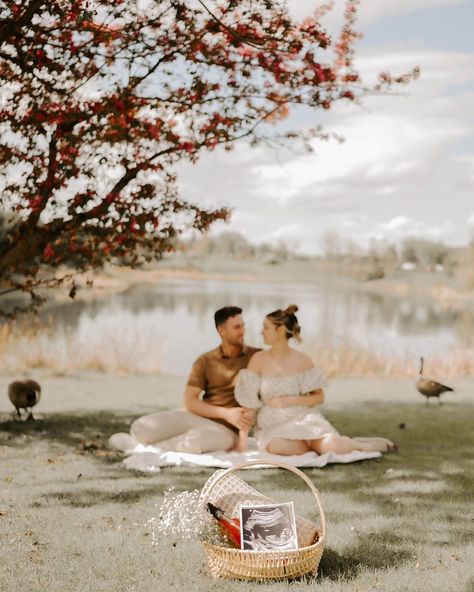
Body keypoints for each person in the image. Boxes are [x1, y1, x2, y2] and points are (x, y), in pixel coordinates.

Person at [234, 304, 396, 455]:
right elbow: (249, 404)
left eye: (266, 327)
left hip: (303, 418)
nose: (261, 331)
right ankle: (316, 446)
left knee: (335, 447)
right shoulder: (258, 359)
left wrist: (291, 400)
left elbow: (319, 396)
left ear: (281, 330)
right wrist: (242, 441)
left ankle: (358, 445)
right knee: (282, 447)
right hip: (273, 425)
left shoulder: (303, 360)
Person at [108, 306, 260, 454]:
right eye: (237, 327)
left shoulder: (257, 357)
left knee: (195, 441)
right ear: (222, 331)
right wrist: (226, 413)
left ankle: (142, 449)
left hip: (228, 430)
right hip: (198, 417)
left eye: (243, 326)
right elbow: (190, 401)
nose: (243, 331)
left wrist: (235, 424)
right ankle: (144, 446)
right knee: (140, 427)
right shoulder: (206, 360)